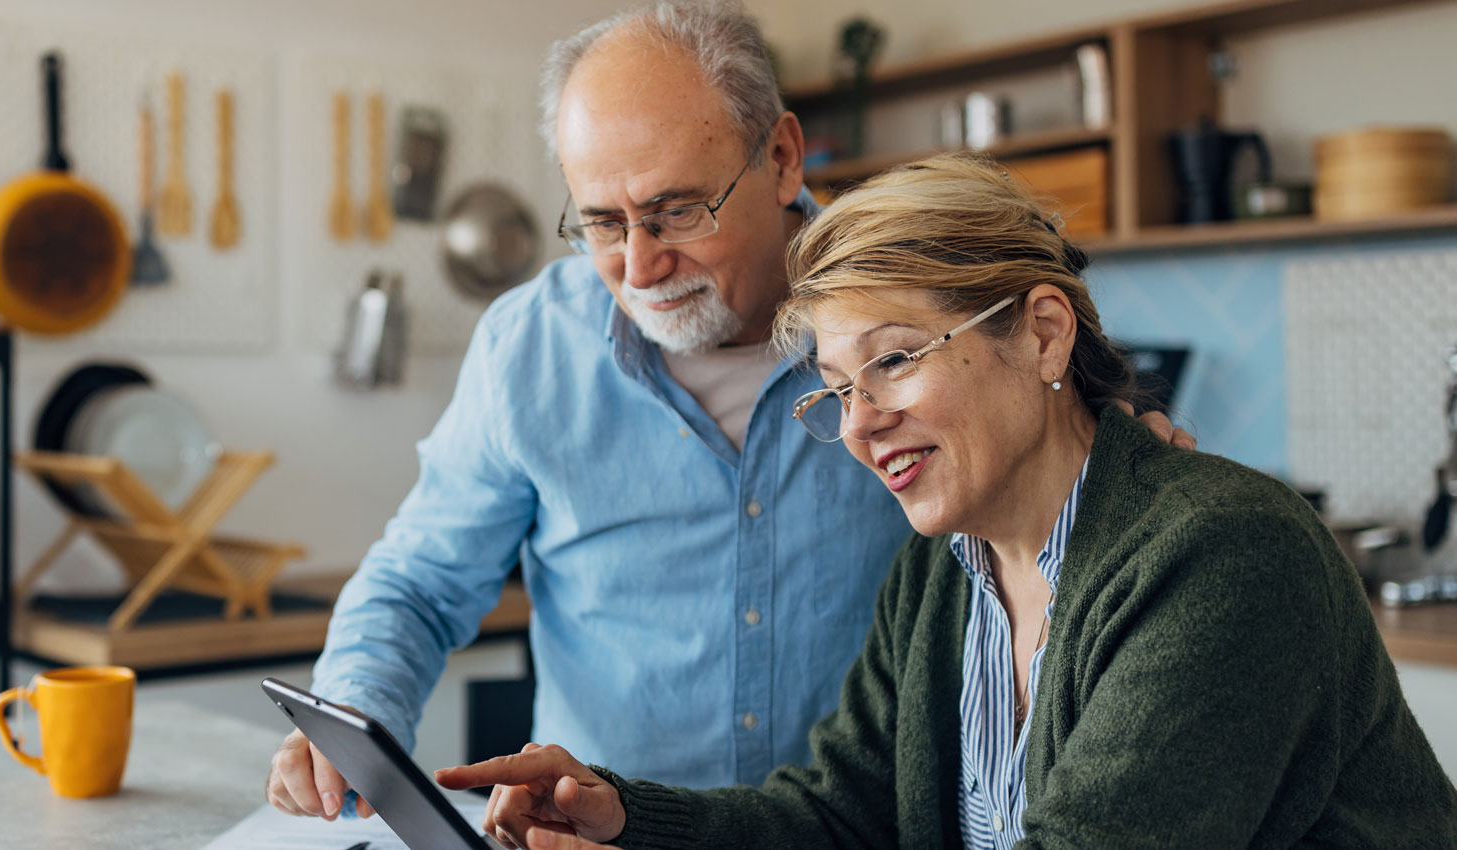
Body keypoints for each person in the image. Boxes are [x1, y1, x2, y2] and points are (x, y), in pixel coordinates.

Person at [265, 1, 1187, 820]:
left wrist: (1123, 472)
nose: (637, 263)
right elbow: (422, 580)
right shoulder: (528, 347)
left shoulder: (906, 312)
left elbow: (1057, 425)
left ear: (781, 158)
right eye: (599, 222)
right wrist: (355, 708)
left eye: (673, 211)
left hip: (855, 829)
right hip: (601, 836)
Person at [434, 152, 1457, 850]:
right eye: (836, 388)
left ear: (1044, 335)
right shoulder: (940, 569)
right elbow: (840, 813)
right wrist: (624, 816)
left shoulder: (1220, 558)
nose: (861, 420)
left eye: (893, 360)